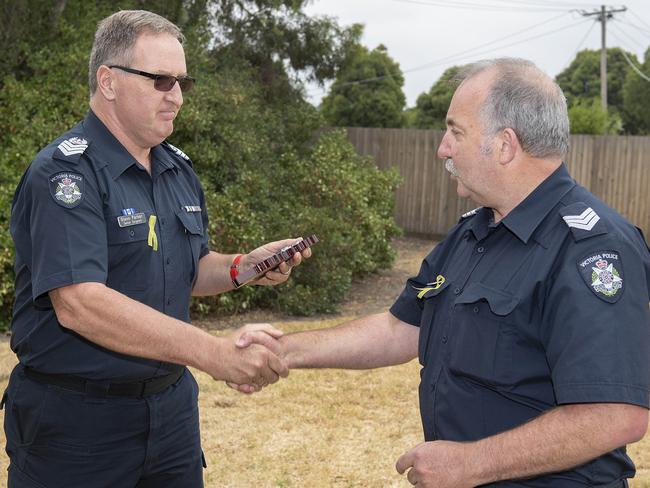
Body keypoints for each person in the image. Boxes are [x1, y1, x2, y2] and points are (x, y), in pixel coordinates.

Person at [234, 58, 650, 487]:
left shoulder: (592, 248)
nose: (442, 148)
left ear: (505, 145)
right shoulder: (475, 231)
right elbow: (401, 329)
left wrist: (473, 464)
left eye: (456, 131)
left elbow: (615, 415)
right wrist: (284, 352)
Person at [4, 9, 310, 488]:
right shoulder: (65, 175)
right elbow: (80, 303)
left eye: (182, 82)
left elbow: (187, 271)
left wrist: (242, 266)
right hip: (78, 426)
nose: (177, 97)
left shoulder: (176, 169)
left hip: (170, 418)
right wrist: (214, 353)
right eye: (161, 80)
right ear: (108, 81)